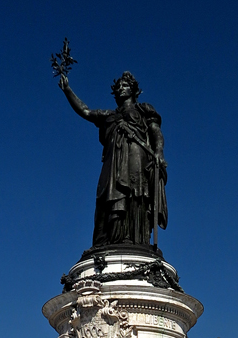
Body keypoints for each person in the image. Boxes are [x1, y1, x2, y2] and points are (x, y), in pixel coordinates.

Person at [59, 70, 167, 248]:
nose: (121, 89)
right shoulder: (108, 115)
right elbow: (86, 111)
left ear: (133, 90)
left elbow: (156, 132)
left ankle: (135, 239)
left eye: (125, 85)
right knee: (110, 196)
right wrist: (68, 90)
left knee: (136, 196)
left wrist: (159, 151)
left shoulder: (144, 109)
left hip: (137, 159)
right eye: (118, 86)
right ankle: (110, 239)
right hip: (113, 163)